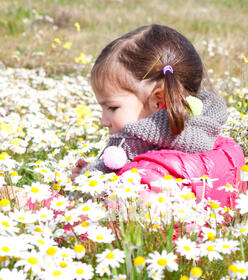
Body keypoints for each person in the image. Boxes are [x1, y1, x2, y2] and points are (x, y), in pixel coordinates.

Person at [71, 24, 228, 182]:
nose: (103, 121)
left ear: (159, 101)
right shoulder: (208, 141)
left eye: (112, 107)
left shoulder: (151, 176)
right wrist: (97, 173)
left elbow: (125, 202)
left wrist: (91, 187)